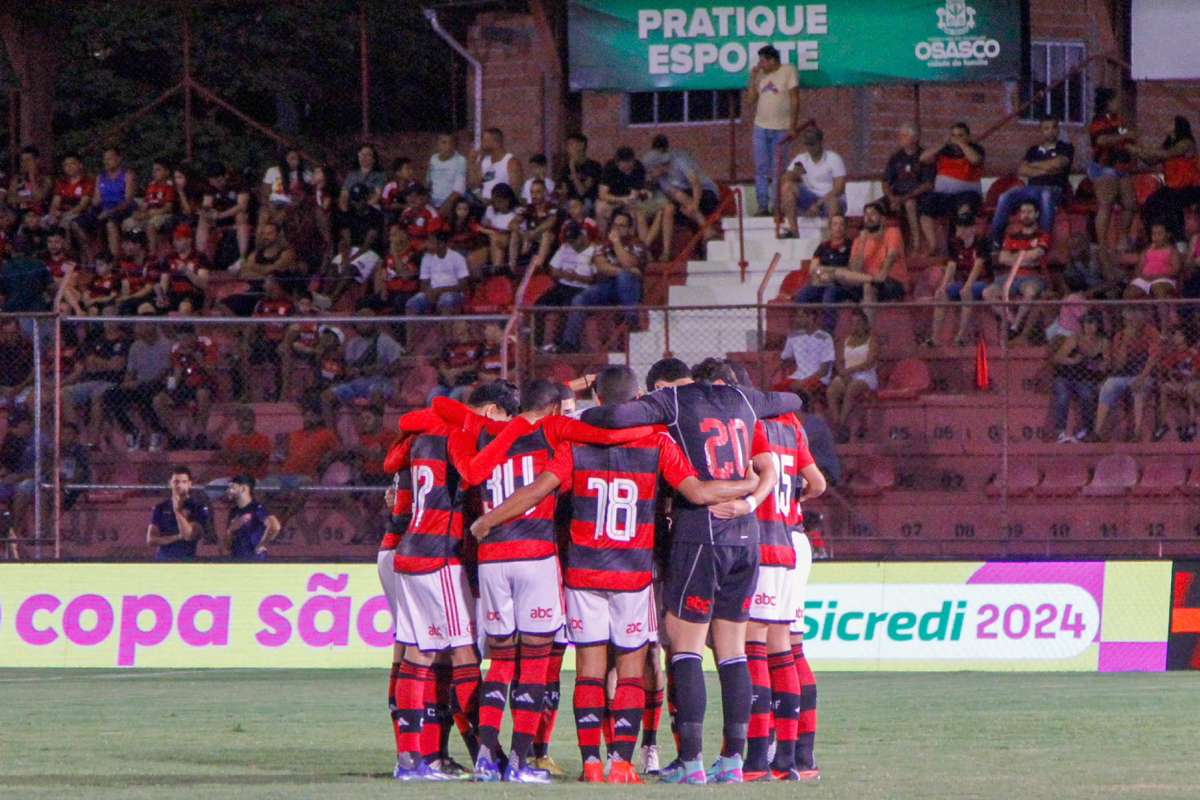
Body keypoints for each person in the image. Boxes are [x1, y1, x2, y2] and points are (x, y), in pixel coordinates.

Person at [470, 366, 756, 783]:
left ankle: (590, 761)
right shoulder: (657, 441)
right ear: (639, 397)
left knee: (588, 669)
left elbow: (536, 491)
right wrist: (745, 486)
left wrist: (487, 521)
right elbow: (697, 492)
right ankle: (621, 760)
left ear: (598, 401)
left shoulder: (575, 441)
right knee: (631, 669)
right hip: (633, 572)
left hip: (584, 570)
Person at [581, 359, 801, 785]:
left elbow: (612, 414)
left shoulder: (675, 401)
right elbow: (791, 399)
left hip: (700, 534)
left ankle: (692, 762)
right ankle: (734, 762)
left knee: (686, 647)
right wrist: (750, 495)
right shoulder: (742, 400)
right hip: (746, 536)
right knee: (733, 652)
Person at [388, 381, 520, 781]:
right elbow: (472, 471)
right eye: (503, 419)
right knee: (464, 654)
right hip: (438, 556)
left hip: (408, 552)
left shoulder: (423, 435)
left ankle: (410, 760)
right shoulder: (459, 433)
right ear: (492, 410)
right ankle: (490, 752)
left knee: (418, 653)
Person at [741, 404, 826, 782]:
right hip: (796, 539)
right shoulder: (792, 427)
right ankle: (799, 758)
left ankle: (759, 759)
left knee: (756, 643)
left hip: (767, 537)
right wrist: (795, 498)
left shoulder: (745, 426)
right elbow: (819, 484)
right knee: (791, 646)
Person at [555, 210, 646, 354]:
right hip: (607, 287)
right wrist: (625, 270)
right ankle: (570, 343)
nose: (617, 229)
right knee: (580, 298)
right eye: (615, 225)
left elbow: (629, 262)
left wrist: (617, 244)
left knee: (625, 278)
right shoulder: (602, 244)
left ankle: (631, 320)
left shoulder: (636, 244)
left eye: (622, 226)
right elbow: (601, 266)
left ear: (629, 229)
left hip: (630, 289)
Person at [989, 116, 1074, 247]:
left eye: (1054, 127)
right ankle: (995, 242)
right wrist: (1046, 169)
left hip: (1053, 189)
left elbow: (1058, 163)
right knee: (1005, 196)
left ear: (1058, 130)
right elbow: (1022, 170)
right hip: (1031, 190)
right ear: (1041, 131)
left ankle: (1042, 242)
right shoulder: (1033, 150)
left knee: (1045, 195)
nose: (1050, 131)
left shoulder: (1066, 147)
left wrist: (1033, 166)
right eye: (1046, 128)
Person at [983, 200, 1051, 342]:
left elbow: (1037, 254)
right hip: (1010, 277)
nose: (1026, 215)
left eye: (1029, 212)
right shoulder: (1011, 235)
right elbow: (1002, 258)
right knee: (987, 293)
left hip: (1032, 277)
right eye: (1023, 212)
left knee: (1030, 292)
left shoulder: (1042, 235)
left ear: (1036, 214)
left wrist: (1013, 257)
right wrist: (1025, 258)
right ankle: (1012, 322)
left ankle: (1015, 326)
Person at [642, 136, 720, 258]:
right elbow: (672, 195)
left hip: (706, 194)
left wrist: (694, 205)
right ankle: (667, 252)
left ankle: (706, 228)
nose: (650, 176)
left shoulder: (679, 161)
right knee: (671, 207)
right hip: (687, 201)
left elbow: (695, 183)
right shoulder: (661, 179)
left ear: (658, 166)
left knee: (679, 196)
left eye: (651, 172)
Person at [101, 320, 172, 452]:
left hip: (159, 384)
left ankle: (156, 431)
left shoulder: (166, 345)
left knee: (147, 391)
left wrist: (141, 383)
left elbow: (165, 371)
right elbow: (130, 371)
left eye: (141, 325)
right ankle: (132, 430)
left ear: (152, 325)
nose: (137, 328)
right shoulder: (135, 346)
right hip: (138, 384)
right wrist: (127, 383)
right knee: (110, 394)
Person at [320, 313, 404, 424]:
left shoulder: (385, 341)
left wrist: (377, 369)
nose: (364, 324)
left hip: (380, 381)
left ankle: (378, 434)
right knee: (326, 396)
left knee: (377, 393)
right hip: (356, 384)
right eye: (360, 322)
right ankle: (332, 436)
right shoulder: (353, 343)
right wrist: (350, 371)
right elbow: (348, 369)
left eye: (367, 321)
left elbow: (397, 366)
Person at [929, 203, 992, 347]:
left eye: (965, 227)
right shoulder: (954, 243)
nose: (961, 231)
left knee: (966, 294)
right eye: (959, 227)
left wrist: (968, 286)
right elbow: (952, 265)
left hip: (982, 282)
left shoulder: (981, 242)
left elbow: (978, 266)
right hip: (962, 281)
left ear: (973, 228)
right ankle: (934, 338)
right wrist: (943, 286)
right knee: (942, 295)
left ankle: (960, 336)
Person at [1094, 306, 1160, 442]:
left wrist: (1142, 378)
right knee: (1107, 386)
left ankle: (1137, 432)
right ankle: (1098, 432)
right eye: (1129, 320)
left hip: (1144, 374)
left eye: (1134, 318)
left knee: (1139, 390)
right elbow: (1119, 365)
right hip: (1124, 375)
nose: (1131, 322)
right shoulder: (1120, 335)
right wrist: (1125, 342)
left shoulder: (1151, 332)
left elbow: (1153, 357)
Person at [748, 45, 800, 216]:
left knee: (778, 168)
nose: (760, 64)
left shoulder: (788, 71)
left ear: (772, 60)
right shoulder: (761, 75)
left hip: (782, 128)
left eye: (763, 61)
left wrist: (792, 125)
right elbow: (750, 100)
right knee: (761, 168)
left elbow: (794, 98)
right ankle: (763, 205)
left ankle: (777, 205)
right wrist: (753, 77)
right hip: (760, 127)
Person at [918, 122, 985, 255]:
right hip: (944, 195)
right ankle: (932, 245)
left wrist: (961, 144)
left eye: (960, 135)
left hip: (967, 194)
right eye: (953, 135)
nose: (956, 138)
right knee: (925, 205)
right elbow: (923, 158)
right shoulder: (944, 150)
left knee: (964, 210)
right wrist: (942, 144)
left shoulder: (976, 149)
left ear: (968, 137)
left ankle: (962, 248)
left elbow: (975, 160)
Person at [1088, 87, 1137, 266]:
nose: (1119, 104)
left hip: (1121, 166)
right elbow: (1101, 140)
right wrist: (1122, 137)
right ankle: (1102, 245)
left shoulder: (1119, 120)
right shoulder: (1098, 121)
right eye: (1115, 100)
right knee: (1106, 205)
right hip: (1103, 167)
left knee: (1131, 204)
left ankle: (1123, 237)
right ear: (1107, 103)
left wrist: (1137, 149)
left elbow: (1127, 139)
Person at [151, 324, 218, 449]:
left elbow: (212, 372)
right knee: (158, 400)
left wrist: (198, 359)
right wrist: (169, 387)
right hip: (185, 386)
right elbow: (176, 375)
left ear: (194, 337)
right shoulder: (177, 350)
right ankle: (177, 436)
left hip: (205, 383)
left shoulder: (206, 344)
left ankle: (200, 434)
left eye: (187, 339)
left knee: (202, 393)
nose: (184, 343)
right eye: (181, 339)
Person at [1135, 116, 1200, 244]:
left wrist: (1143, 150)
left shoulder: (1187, 143)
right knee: (1151, 202)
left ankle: (1179, 238)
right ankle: (1153, 238)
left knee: (1170, 202)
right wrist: (1135, 149)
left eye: (1170, 122)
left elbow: (1168, 154)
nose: (1166, 123)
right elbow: (1150, 160)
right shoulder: (1167, 143)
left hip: (1190, 188)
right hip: (1173, 188)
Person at [1050, 312, 1109, 443]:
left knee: (1087, 394)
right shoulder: (1075, 338)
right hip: (1067, 376)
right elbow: (1057, 358)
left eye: (1092, 323)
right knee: (1063, 395)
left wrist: (1096, 366)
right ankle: (1060, 432)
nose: (1089, 326)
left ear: (1098, 325)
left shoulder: (1103, 342)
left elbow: (1106, 364)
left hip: (1086, 378)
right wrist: (1073, 361)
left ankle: (1086, 430)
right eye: (1086, 323)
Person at [534, 222, 595, 349]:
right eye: (569, 240)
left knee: (571, 307)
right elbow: (553, 270)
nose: (571, 243)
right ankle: (541, 344)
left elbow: (593, 279)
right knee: (539, 304)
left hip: (581, 290)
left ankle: (569, 345)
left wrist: (575, 277)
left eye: (574, 240)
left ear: (582, 236)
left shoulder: (593, 251)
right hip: (562, 286)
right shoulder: (565, 248)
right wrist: (566, 275)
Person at [779, 127, 847, 236]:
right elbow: (785, 179)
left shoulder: (833, 158)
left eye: (812, 144)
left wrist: (818, 204)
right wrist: (794, 174)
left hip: (830, 199)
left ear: (820, 142)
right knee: (787, 187)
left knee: (833, 202)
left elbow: (839, 188)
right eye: (807, 144)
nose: (809, 148)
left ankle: (832, 239)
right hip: (810, 198)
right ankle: (794, 232)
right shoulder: (802, 159)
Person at [792, 213, 853, 330]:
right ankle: (803, 330)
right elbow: (812, 269)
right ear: (830, 228)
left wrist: (829, 274)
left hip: (840, 284)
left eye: (841, 224)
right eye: (835, 224)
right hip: (821, 281)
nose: (838, 227)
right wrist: (823, 274)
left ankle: (828, 333)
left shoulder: (851, 246)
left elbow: (850, 269)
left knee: (829, 296)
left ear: (845, 228)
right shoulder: (823, 246)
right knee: (801, 296)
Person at [826, 310, 879, 441]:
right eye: (853, 323)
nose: (856, 326)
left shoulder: (872, 340)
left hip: (865, 376)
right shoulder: (846, 340)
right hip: (847, 374)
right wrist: (843, 372)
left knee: (852, 389)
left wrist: (851, 370)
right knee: (832, 390)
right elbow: (839, 361)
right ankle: (837, 422)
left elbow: (870, 362)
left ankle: (841, 426)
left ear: (866, 324)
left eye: (859, 323)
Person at [881, 123, 935, 251]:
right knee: (873, 208)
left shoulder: (924, 157)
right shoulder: (895, 157)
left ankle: (916, 243)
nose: (900, 137)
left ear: (915, 138)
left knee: (910, 204)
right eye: (900, 135)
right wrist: (891, 197)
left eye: (904, 135)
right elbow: (885, 181)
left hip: (917, 196)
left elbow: (928, 184)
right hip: (896, 195)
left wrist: (904, 198)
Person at [146, 465, 211, 561]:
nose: (179, 485)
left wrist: (177, 511)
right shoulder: (161, 507)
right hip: (163, 561)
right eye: (176, 481)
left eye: (184, 482)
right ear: (170, 483)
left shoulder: (198, 507)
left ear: (190, 484)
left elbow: (188, 535)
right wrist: (176, 537)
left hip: (186, 561)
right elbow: (151, 540)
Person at [405, 229, 469, 316]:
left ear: (441, 244)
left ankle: (446, 330)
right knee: (411, 304)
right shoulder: (426, 258)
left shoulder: (457, 258)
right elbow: (423, 284)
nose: (426, 244)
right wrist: (429, 292)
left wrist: (440, 291)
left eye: (431, 241)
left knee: (445, 301)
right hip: (432, 292)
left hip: (453, 292)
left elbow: (463, 286)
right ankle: (415, 330)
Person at [1155, 323, 1200, 442]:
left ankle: (1192, 425)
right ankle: (1164, 424)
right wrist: (1175, 383)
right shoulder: (1174, 353)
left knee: (1190, 389)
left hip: (1194, 382)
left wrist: (1185, 383)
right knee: (1164, 388)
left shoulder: (1193, 352)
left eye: (1178, 335)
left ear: (1185, 337)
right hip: (1179, 383)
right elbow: (1169, 371)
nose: (1175, 337)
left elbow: (1196, 372)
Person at [222, 475, 281, 560]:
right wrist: (231, 530)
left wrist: (262, 544)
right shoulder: (233, 511)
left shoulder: (257, 508)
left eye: (232, 487)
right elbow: (227, 546)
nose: (228, 491)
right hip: (237, 559)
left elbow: (275, 527)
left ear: (243, 488)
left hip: (255, 560)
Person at [781, 307, 835, 398]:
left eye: (801, 317)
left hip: (818, 378)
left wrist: (804, 382)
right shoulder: (794, 336)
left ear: (811, 317)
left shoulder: (825, 337)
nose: (797, 320)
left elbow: (824, 370)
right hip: (798, 376)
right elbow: (784, 358)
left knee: (803, 390)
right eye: (797, 317)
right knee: (777, 389)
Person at [1125, 222, 1181, 301]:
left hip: (1164, 279)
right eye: (1154, 234)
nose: (1156, 237)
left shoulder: (1172, 250)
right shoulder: (1147, 250)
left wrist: (1158, 277)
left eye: (1159, 234)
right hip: (1145, 279)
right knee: (1129, 292)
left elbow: (1176, 270)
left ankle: (1162, 312)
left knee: (1158, 288)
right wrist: (1144, 277)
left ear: (1167, 235)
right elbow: (1138, 269)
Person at [470, 127, 523, 205]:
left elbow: (515, 191)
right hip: (484, 206)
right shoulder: (485, 161)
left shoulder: (511, 162)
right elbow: (474, 185)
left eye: (485, 141)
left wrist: (496, 203)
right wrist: (472, 164)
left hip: (503, 208)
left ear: (496, 142)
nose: (482, 144)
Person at [220, 405, 272, 480]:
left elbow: (254, 463)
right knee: (213, 486)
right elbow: (227, 460)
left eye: (245, 420)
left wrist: (238, 457)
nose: (241, 424)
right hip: (233, 479)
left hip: (255, 479)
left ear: (253, 421)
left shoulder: (263, 439)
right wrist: (247, 455)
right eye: (239, 420)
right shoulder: (231, 439)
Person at [427, 133, 468, 217]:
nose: (448, 147)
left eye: (451, 143)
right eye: (444, 142)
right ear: (438, 144)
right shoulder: (433, 159)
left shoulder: (460, 160)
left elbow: (458, 190)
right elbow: (428, 182)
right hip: (432, 204)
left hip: (451, 205)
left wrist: (441, 211)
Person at [558, 134, 602, 211]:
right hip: (570, 201)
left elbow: (582, 191)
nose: (568, 149)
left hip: (588, 200)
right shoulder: (565, 168)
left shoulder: (593, 166)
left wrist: (573, 170)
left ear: (582, 145)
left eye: (571, 144)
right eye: (568, 145)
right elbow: (564, 192)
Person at [341, 143, 387, 210]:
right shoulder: (351, 175)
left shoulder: (380, 175)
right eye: (362, 154)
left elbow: (377, 195)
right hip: (352, 206)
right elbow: (344, 194)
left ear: (374, 159)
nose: (364, 157)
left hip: (369, 207)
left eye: (368, 155)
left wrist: (364, 207)